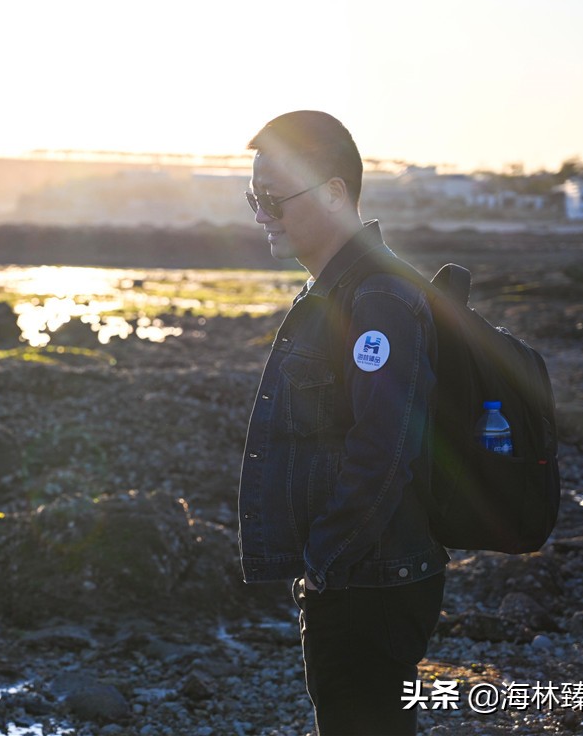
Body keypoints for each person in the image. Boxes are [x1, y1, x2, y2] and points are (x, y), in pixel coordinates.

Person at [236, 111, 448, 735]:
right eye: (255, 197)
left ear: (333, 193)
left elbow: (385, 448)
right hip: (363, 573)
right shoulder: (336, 289)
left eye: (274, 198)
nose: (260, 215)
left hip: (369, 580)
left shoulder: (376, 297)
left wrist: (324, 564)